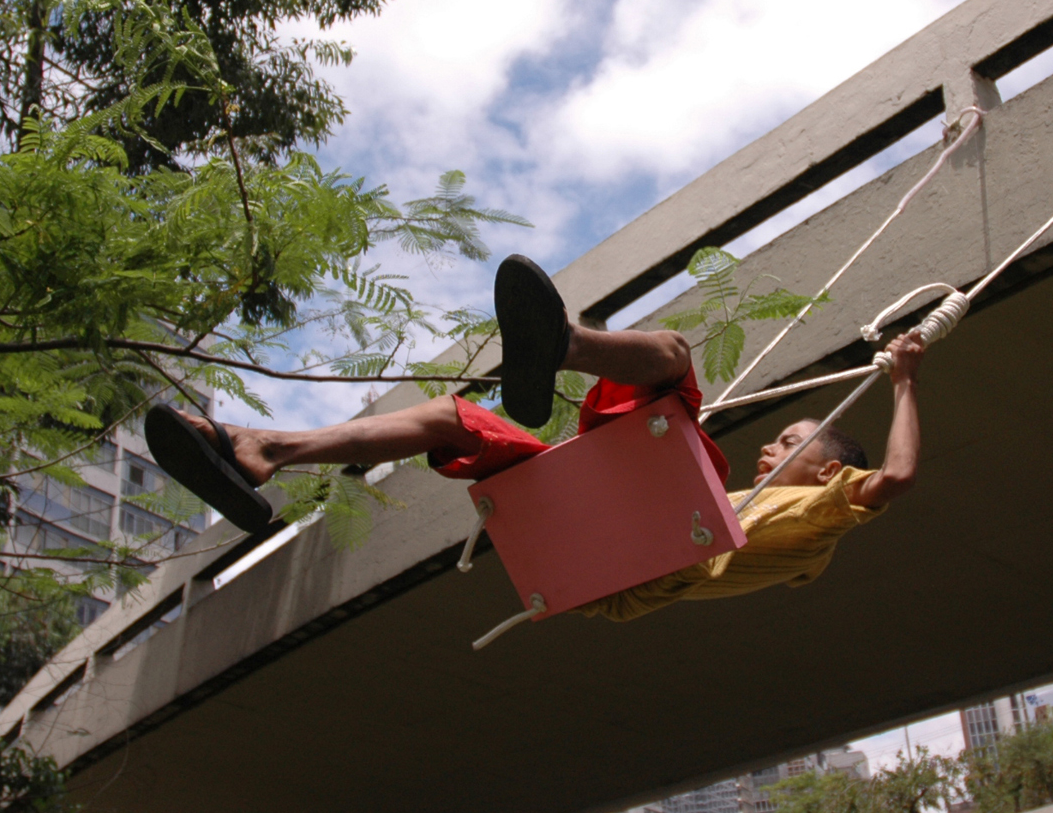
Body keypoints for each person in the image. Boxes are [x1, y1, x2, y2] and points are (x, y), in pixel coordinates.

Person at [146, 256, 927, 622]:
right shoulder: (738, 502)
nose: (769, 448)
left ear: (832, 464)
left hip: (658, 553)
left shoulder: (829, 510)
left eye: (793, 440)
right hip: (608, 557)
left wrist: (901, 379)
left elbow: (895, 478)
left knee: (677, 365)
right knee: (456, 420)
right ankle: (265, 448)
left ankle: (566, 344)